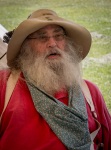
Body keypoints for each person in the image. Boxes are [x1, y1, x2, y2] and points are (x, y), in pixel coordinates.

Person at [0, 9, 111, 150]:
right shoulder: (4, 86)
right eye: (42, 37)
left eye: (58, 36)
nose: (52, 43)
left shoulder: (90, 92)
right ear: (25, 46)